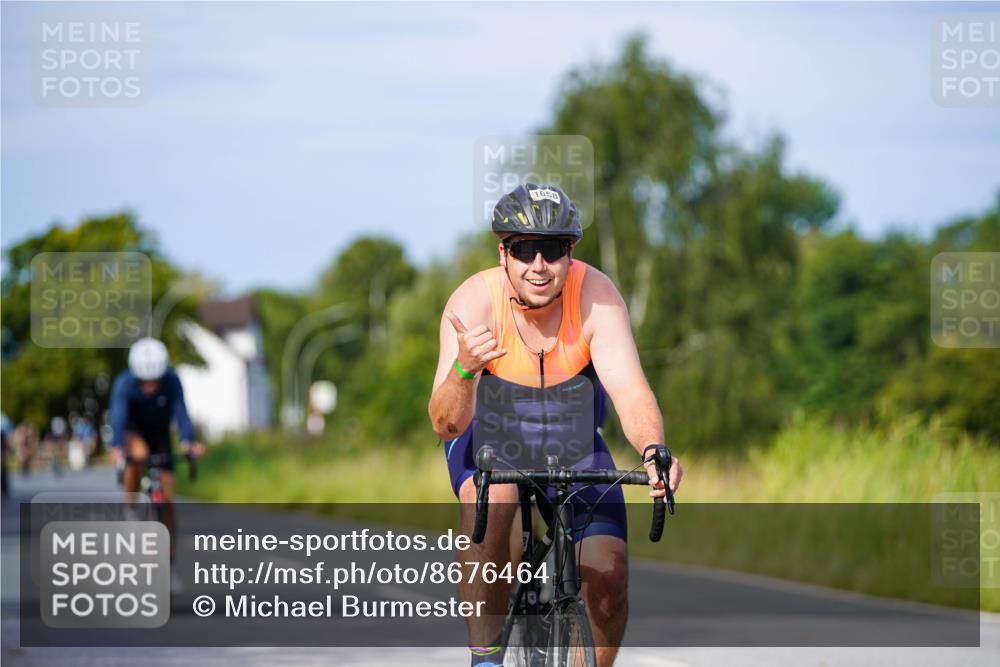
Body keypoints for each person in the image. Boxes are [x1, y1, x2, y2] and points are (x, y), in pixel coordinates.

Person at [428, 183, 684, 667]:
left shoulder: (597, 296)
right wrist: (464, 370)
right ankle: (486, 661)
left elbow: (630, 390)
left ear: (571, 252)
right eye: (525, 250)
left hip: (573, 439)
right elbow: (445, 423)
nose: (539, 265)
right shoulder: (473, 305)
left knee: (609, 572)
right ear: (504, 252)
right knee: (494, 509)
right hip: (492, 438)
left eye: (553, 249)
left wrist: (654, 449)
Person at [109, 337, 204, 590]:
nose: (150, 386)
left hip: (161, 436)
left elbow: (181, 413)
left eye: (155, 380)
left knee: (168, 497)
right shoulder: (124, 384)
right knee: (138, 453)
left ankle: (170, 565)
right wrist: (118, 445)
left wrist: (188, 441)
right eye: (144, 381)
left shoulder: (172, 381)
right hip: (134, 431)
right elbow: (118, 417)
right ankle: (130, 506)